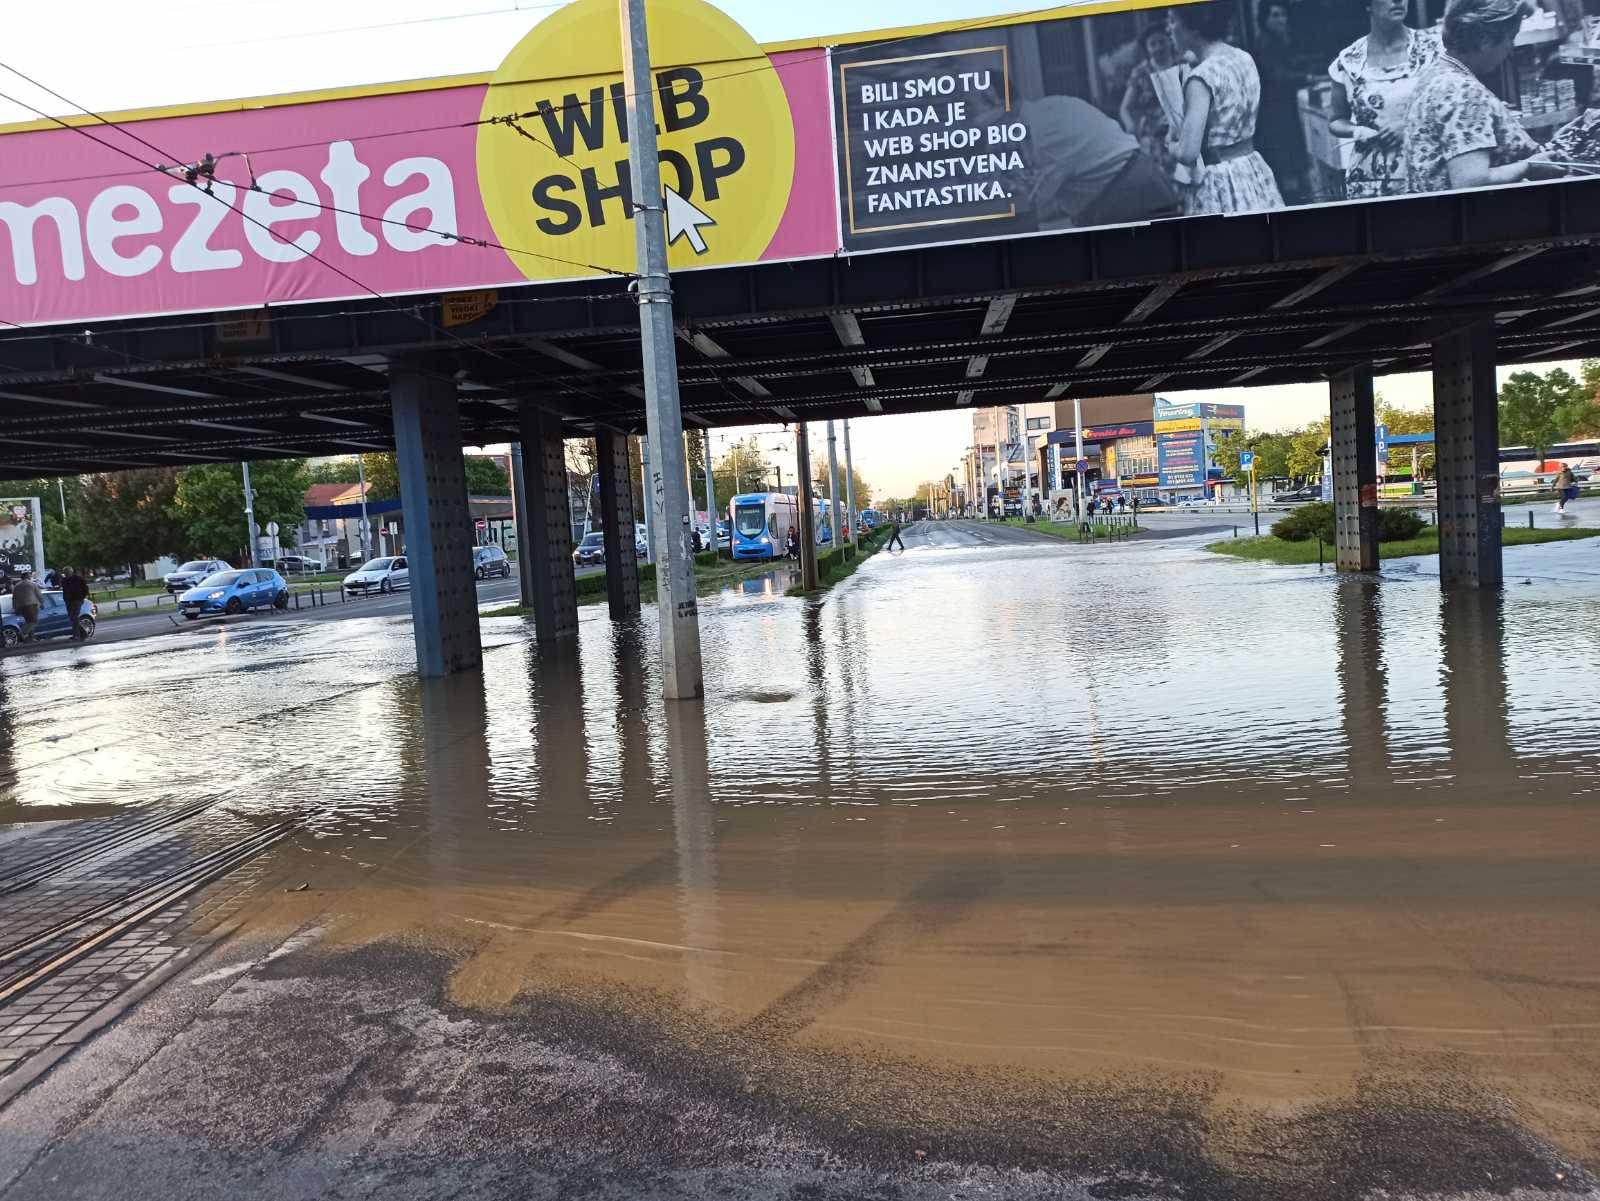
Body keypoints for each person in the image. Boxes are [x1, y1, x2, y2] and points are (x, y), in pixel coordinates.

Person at [1405, 0, 1567, 192]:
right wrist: (1529, 167)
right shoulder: (1464, 91)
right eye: (1510, 38)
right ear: (1484, 40)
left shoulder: (1435, 75)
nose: (1511, 48)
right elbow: (1471, 181)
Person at [970, 85, 1181, 229]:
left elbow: (1040, 206)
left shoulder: (1041, 133)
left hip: (1133, 196)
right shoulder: (1043, 111)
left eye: (994, 127)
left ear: (1004, 107)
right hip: (1130, 190)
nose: (992, 137)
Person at [1169, 1, 1286, 216]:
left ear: (1193, 27)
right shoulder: (1244, 58)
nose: (1170, 28)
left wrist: (1170, 143)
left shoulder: (1200, 77)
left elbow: (1188, 153)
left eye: (1173, 20)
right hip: (1251, 168)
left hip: (1219, 181)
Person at [1328, 0, 1443, 199]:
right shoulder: (1348, 61)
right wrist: (1357, 130)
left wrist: (1410, 126)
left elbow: (1451, 105)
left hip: (1427, 172)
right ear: (1367, 5)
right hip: (1369, 182)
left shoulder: (1432, 48)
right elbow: (1336, 120)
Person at [1254, 0, 1313, 203]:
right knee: (1287, 169)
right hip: (1274, 118)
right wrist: (1304, 77)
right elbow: (1276, 75)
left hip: (1282, 111)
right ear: (1265, 20)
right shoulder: (1264, 43)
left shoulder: (1277, 40)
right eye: (1276, 15)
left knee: (1293, 166)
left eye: (1284, 15)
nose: (1282, 20)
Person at [1120, 23, 1182, 177]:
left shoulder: (1182, 65)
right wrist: (1131, 128)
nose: (1158, 47)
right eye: (1152, 44)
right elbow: (1125, 108)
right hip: (1155, 139)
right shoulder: (1141, 73)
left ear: (1169, 41)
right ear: (1147, 49)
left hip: (1183, 135)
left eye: (1161, 41)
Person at [11, 571, 41, 643]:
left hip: (21, 607)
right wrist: (42, 602)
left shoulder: (17, 586)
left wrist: (15, 608)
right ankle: (22, 632)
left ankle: (31, 638)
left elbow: (14, 598)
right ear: (27, 576)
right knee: (34, 622)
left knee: (29, 621)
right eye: (29, 576)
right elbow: (39, 594)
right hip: (32, 605)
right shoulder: (32, 584)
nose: (30, 577)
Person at [62, 566, 89, 638]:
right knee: (72, 617)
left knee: (74, 616)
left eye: (67, 572)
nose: (66, 574)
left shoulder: (78, 578)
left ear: (71, 572)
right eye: (65, 573)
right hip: (68, 600)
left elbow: (85, 587)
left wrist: (84, 596)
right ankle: (81, 633)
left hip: (77, 599)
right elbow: (64, 590)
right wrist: (65, 599)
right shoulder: (64, 580)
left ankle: (77, 634)